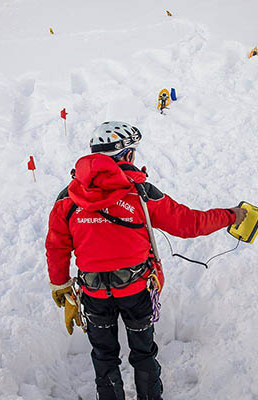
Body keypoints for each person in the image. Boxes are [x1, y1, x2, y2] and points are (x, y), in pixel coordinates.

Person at [45, 121, 247, 400]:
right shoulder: (140, 193)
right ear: (126, 155)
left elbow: (56, 246)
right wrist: (231, 215)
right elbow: (189, 223)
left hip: (92, 293)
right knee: (143, 353)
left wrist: (60, 284)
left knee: (104, 355)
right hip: (136, 288)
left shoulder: (67, 197)